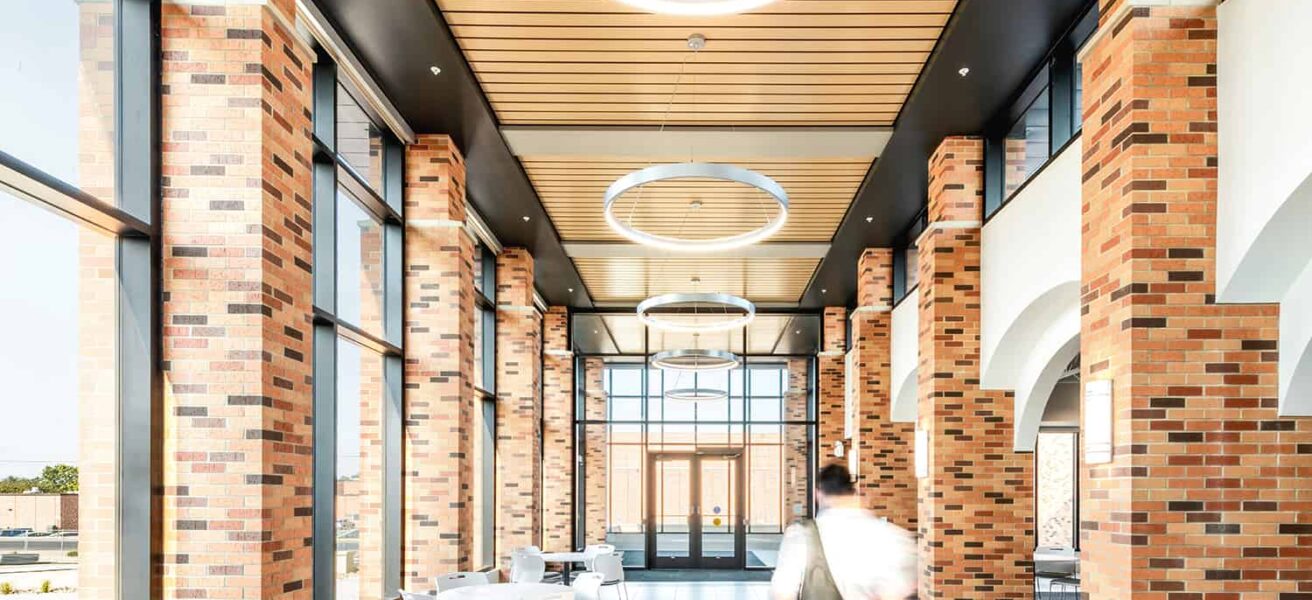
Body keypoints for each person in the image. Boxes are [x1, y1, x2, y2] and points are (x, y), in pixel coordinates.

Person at [770, 463, 916, 600]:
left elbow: (782, 592)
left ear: (818, 493)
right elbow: (900, 590)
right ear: (854, 491)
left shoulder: (800, 536)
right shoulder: (896, 537)